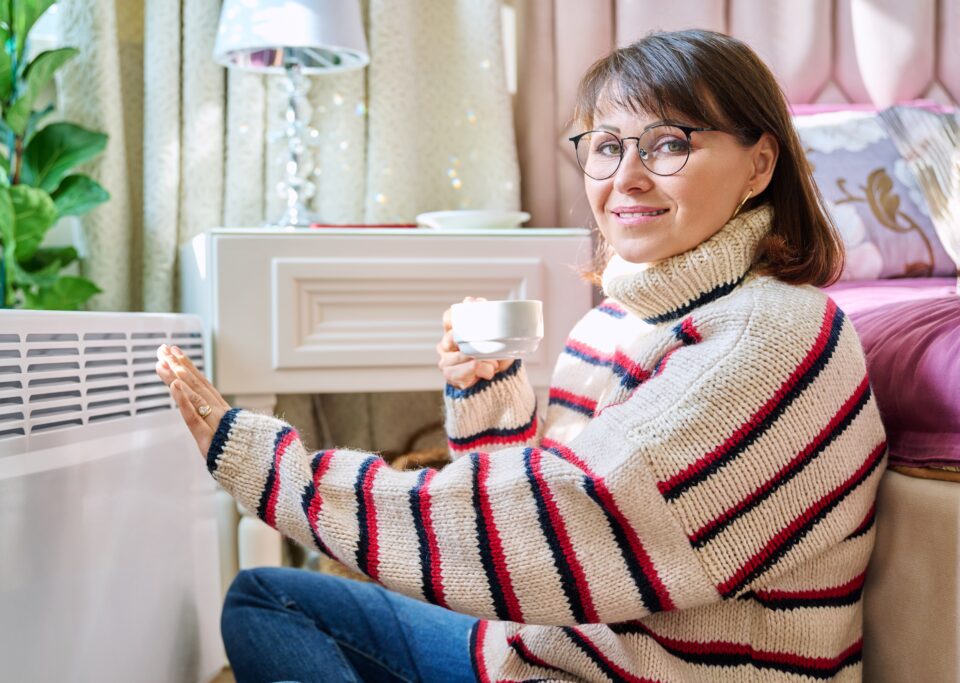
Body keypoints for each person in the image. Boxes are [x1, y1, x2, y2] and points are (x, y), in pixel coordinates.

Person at [157, 29, 886, 683]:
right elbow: (545, 542)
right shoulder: (611, 326)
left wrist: (282, 474)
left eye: (668, 143)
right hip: (556, 652)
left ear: (760, 165)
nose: (626, 176)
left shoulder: (773, 336)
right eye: (605, 146)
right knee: (269, 598)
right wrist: (493, 403)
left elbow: (567, 521)